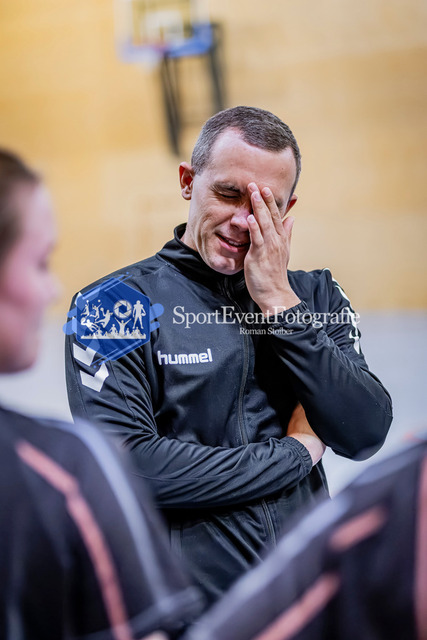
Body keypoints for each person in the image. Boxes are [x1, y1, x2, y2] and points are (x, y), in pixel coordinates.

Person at [65, 106, 393, 604]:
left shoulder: (314, 296)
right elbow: (132, 469)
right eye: (228, 193)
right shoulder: (111, 306)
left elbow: (364, 431)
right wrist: (296, 453)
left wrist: (280, 303)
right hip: (193, 613)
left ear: (288, 208)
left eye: (266, 205)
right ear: (187, 181)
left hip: (308, 601)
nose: (243, 221)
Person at [0, 150, 203, 639]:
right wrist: (295, 453)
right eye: (41, 263)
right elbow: (141, 462)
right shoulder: (66, 470)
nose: (53, 290)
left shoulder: (302, 297)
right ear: (189, 183)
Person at [180, 433, 427, 640]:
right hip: (212, 585)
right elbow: (156, 468)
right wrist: (297, 452)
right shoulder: (393, 495)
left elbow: (365, 431)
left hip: (279, 558)